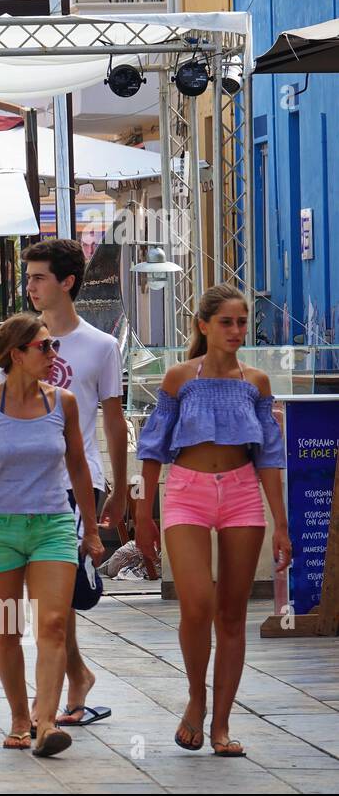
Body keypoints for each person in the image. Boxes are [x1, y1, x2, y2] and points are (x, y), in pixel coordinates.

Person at [135, 284, 288, 758]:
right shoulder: (179, 378)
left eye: (242, 322)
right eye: (227, 322)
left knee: (233, 613)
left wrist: (281, 524)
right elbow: (153, 447)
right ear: (203, 325)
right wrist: (143, 513)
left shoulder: (257, 382)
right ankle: (196, 698)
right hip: (186, 493)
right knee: (196, 604)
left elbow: (269, 455)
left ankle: (221, 724)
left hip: (242, 493)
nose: (236, 331)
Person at [0, 238, 128, 728]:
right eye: (28, 278)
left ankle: (57, 700)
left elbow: (113, 421)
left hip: (75, 479)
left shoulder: (101, 347)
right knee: (52, 610)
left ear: (67, 282)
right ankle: (74, 681)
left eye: (39, 277)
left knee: (58, 606)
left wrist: (123, 491)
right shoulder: (14, 341)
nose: (31, 286)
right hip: (16, 489)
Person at [0, 313, 105, 757]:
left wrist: (91, 529)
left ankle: (46, 722)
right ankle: (19, 716)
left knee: (54, 624)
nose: (53, 354)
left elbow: (78, 467)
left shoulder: (64, 403)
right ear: (17, 355)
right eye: (44, 347)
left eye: (54, 346)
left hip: (53, 524)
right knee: (6, 629)